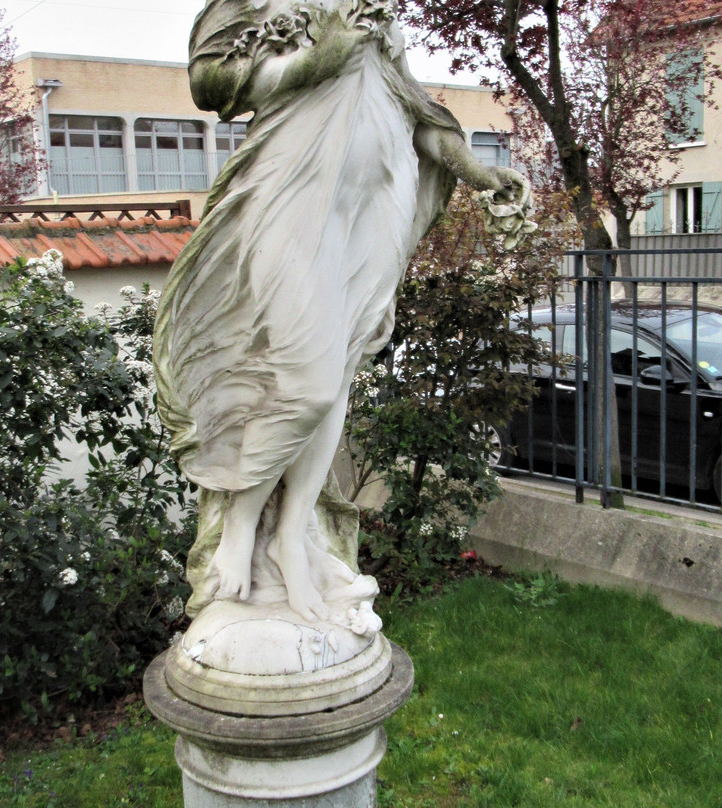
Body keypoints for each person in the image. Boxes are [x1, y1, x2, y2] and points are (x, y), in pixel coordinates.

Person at [153, 0, 529, 622]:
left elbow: (421, 116)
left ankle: (295, 537)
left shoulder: (378, 12)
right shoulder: (258, 3)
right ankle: (244, 523)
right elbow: (210, 79)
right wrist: (316, 60)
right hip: (289, 196)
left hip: (372, 208)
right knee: (307, 383)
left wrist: (480, 172)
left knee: (336, 378)